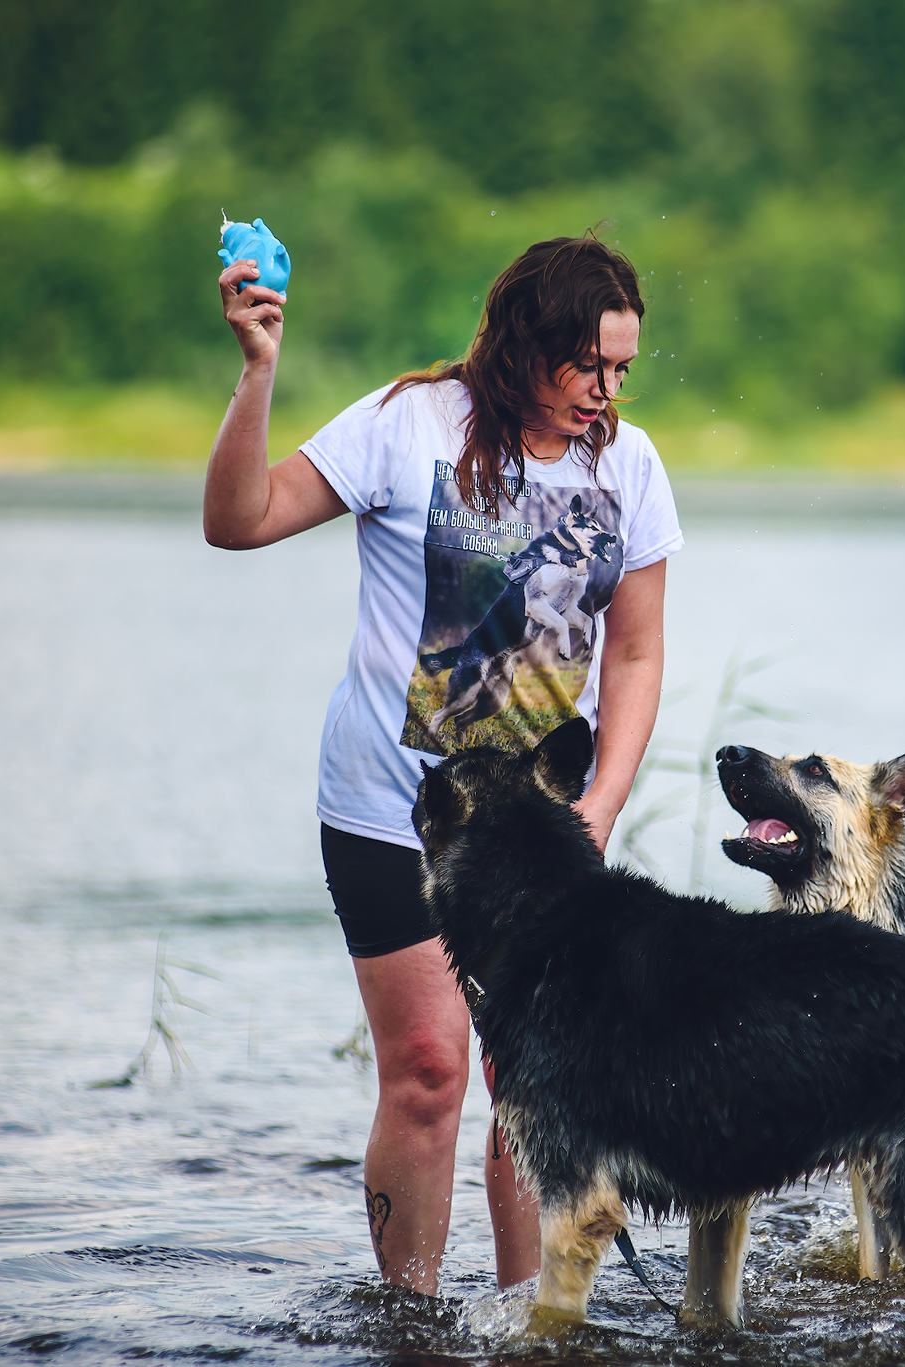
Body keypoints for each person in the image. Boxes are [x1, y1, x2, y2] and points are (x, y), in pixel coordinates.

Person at [204, 235, 680, 1293]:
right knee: (427, 1073)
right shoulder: (404, 424)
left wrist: (599, 804)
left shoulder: (629, 464)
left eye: (622, 370)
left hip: (546, 837)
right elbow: (237, 521)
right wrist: (257, 372)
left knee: (531, 1086)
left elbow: (638, 650)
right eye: (587, 366)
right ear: (524, 343)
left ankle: (529, 1322)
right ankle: (410, 1319)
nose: (605, 392)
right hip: (393, 813)